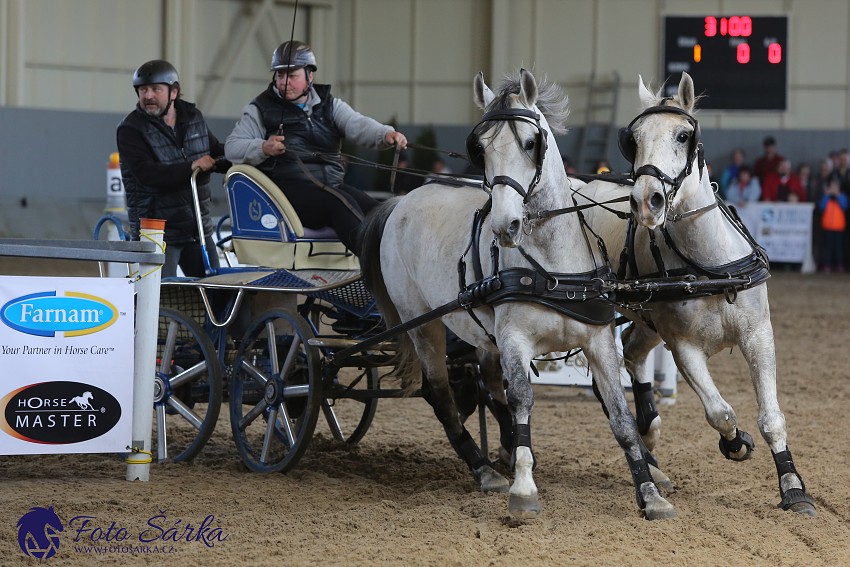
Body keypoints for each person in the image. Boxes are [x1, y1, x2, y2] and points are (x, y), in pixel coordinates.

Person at [225, 40, 407, 255]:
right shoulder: (260, 109)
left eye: (292, 76)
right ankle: (377, 262)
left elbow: (357, 124)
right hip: (288, 194)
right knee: (338, 203)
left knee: (377, 209)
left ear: (309, 76)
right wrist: (263, 146)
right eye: (280, 75)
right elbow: (232, 147)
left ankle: (399, 260)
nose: (284, 82)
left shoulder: (329, 104)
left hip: (331, 186)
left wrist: (385, 134)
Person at [117, 59, 230, 278]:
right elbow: (148, 175)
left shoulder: (194, 119)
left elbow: (216, 151)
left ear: (174, 92)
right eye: (143, 90)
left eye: (155, 89)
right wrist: (192, 166)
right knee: (156, 303)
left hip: (198, 231)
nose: (148, 95)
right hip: (156, 235)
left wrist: (255, 153)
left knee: (219, 295)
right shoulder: (130, 129)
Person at [818, 173, 848, 272]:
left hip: (839, 227)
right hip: (827, 227)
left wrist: (838, 196)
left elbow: (845, 206)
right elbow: (821, 207)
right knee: (828, 248)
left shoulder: (843, 197)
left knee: (838, 248)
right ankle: (827, 265)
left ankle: (839, 265)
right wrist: (827, 195)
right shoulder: (826, 197)